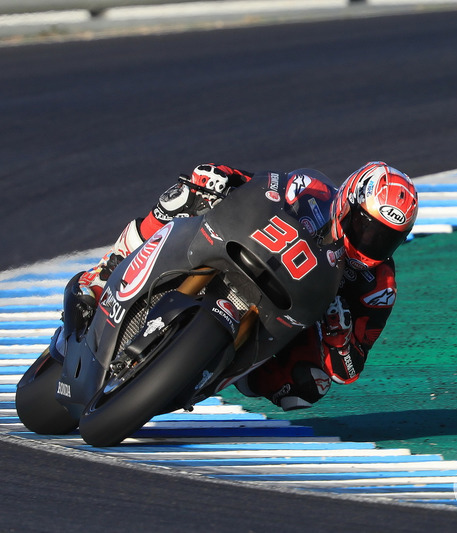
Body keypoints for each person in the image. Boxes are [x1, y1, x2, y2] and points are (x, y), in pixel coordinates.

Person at [55, 161, 418, 411]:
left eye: (384, 238)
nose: (370, 241)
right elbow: (259, 186)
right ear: (348, 200)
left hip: (291, 315)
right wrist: (221, 178)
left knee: (311, 385)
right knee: (185, 195)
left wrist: (338, 332)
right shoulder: (313, 191)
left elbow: (350, 369)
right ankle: (104, 273)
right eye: (366, 226)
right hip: (245, 248)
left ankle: (212, 373)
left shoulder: (378, 285)